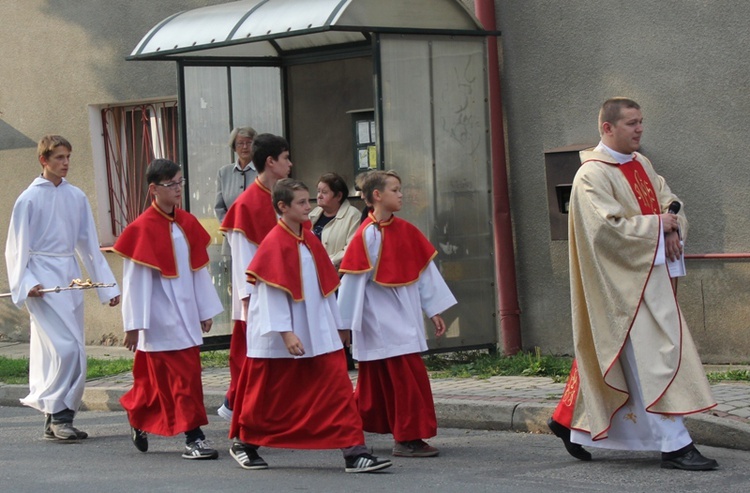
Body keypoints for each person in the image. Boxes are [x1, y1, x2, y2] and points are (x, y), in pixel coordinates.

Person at [547, 98, 718, 470]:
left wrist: (671, 225)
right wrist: (659, 228)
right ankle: (676, 445)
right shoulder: (591, 175)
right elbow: (606, 231)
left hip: (649, 277)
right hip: (618, 285)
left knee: (619, 356)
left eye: (641, 122)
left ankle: (570, 421)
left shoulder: (641, 163)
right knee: (651, 359)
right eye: (630, 123)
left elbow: (666, 198)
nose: (639, 129)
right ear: (607, 128)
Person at [228, 178, 392, 473]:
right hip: (283, 339)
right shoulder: (274, 243)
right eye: (302, 202)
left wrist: (339, 326)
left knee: (338, 389)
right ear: (283, 207)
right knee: (270, 397)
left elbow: (326, 287)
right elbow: (269, 293)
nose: (309, 206)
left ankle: (354, 452)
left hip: (319, 332)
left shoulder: (308, 238)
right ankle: (245, 442)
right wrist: (286, 332)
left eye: (309, 200)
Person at [5, 135, 121, 441]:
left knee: (75, 349)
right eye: (59, 157)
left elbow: (88, 246)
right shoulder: (28, 199)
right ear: (44, 160)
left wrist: (107, 287)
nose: (66, 163)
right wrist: (26, 282)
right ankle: (58, 415)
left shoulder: (76, 197)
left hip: (68, 279)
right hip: (41, 282)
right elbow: (16, 248)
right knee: (64, 349)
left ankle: (59, 416)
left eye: (68, 157)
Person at [337, 170, 457, 458]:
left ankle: (344, 427)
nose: (401, 194)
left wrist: (434, 309)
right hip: (378, 320)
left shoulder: (407, 230)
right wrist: (344, 326)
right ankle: (407, 438)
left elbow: (424, 273)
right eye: (395, 189)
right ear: (377, 196)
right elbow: (351, 282)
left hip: (404, 317)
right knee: (405, 379)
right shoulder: (366, 235)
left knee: (378, 386)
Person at [113, 158, 223, 460]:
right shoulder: (142, 228)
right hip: (159, 317)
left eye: (180, 183)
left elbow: (199, 270)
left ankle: (142, 417)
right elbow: (134, 282)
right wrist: (134, 325)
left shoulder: (187, 222)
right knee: (173, 380)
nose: (178, 189)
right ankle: (194, 437)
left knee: (171, 380)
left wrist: (205, 309)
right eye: (171, 184)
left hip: (185, 313)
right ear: (154, 189)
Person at [217, 133, 292, 422]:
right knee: (251, 359)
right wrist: (247, 302)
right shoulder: (246, 205)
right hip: (256, 300)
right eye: (285, 158)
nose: (290, 163)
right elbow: (242, 261)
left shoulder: (282, 198)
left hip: (284, 292)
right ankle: (240, 410)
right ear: (271, 162)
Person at [308, 172, 361, 269]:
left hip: (338, 273)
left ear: (339, 196)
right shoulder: (313, 215)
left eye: (324, 192)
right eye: (318, 191)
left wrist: (327, 262)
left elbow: (351, 248)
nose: (319, 196)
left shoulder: (353, 216)